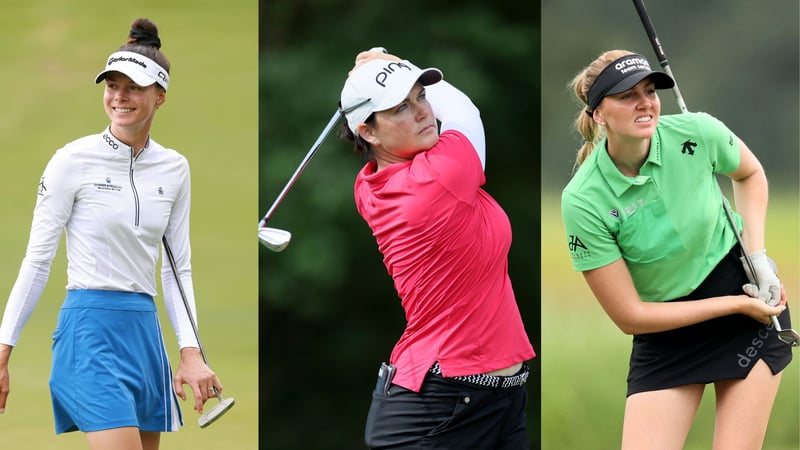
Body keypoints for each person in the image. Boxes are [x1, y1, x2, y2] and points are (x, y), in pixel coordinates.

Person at [0, 18, 222, 450]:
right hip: (89, 329)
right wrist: (3, 348)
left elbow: (178, 269)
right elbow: (37, 260)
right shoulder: (72, 160)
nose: (119, 97)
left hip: (144, 332)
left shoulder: (175, 168)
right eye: (112, 85)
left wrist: (190, 352)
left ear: (160, 96)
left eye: (133, 87)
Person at [561, 49, 793, 449]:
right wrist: (735, 305)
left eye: (650, 91)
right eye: (627, 95)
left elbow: (750, 173)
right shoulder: (583, 199)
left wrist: (758, 260)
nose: (645, 103)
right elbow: (631, 316)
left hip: (745, 297)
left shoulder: (697, 132)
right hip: (668, 329)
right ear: (599, 114)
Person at [338, 49, 536, 449]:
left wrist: (388, 74)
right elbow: (465, 111)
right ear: (369, 132)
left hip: (488, 398)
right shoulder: (438, 176)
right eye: (400, 108)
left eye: (421, 96)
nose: (423, 112)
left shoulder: (369, 184)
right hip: (441, 404)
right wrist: (392, 57)